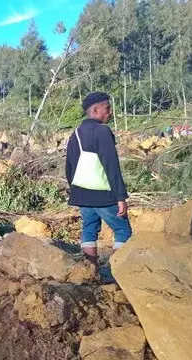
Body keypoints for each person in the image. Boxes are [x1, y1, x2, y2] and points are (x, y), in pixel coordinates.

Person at [65, 92, 132, 266]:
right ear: (95, 110)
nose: (110, 112)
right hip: (103, 194)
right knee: (122, 230)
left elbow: (69, 166)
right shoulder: (103, 131)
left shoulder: (76, 133)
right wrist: (120, 197)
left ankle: (91, 271)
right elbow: (111, 165)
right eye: (107, 108)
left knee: (89, 229)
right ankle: (116, 271)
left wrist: (76, 190)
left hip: (82, 193)